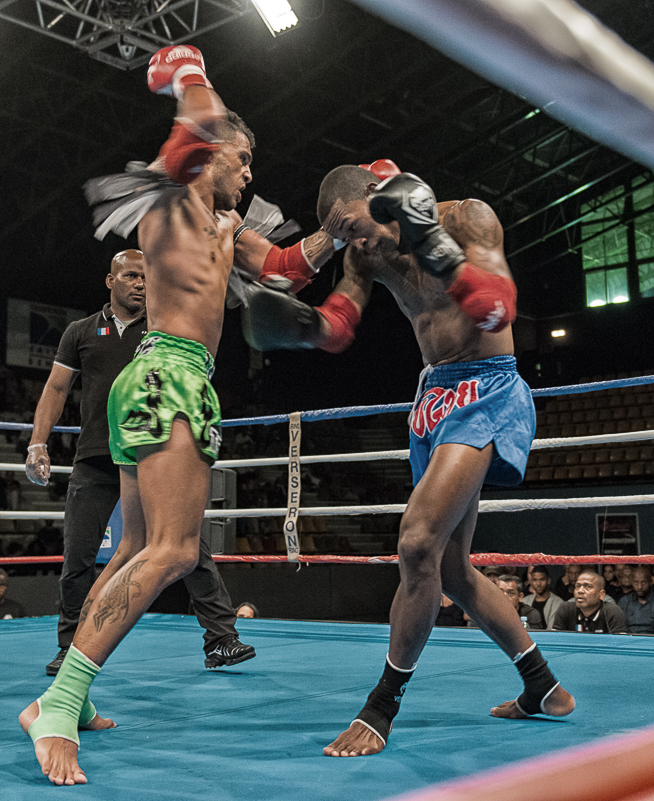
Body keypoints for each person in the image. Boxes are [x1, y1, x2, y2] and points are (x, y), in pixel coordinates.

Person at [21, 45, 322, 785]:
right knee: (175, 553)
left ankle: (66, 694)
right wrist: (188, 69)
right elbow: (200, 124)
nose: (250, 175)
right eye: (242, 159)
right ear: (214, 152)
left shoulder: (222, 226)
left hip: (168, 378)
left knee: (132, 552)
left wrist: (350, 229)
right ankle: (58, 705)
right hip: (167, 375)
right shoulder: (173, 196)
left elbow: (287, 268)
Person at [255, 164, 573, 757]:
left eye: (357, 227)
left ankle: (381, 707)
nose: (359, 244)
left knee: (416, 543)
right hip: (433, 397)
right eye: (344, 237)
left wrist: (434, 242)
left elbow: (496, 310)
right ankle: (543, 687)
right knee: (451, 570)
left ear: (379, 199)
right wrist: (306, 328)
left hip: (488, 390)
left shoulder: (464, 217)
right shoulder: (363, 251)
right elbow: (342, 317)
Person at [24, 248, 254, 676]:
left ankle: (220, 637)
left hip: (152, 449)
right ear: (110, 281)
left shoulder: (162, 330)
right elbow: (56, 389)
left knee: (183, 545)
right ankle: (70, 647)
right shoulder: (81, 331)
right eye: (129, 275)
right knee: (80, 556)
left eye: (145, 276)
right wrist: (39, 443)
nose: (140, 283)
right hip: (95, 454)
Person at [550, 571, 628, 634]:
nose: (580, 591)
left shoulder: (613, 612)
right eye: (577, 586)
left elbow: (619, 647)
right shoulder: (565, 609)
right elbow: (555, 642)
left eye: (588, 586)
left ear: (601, 594)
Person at [615, 565, 654, 634]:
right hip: (628, 641)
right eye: (636, 582)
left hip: (651, 642)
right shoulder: (624, 602)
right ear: (631, 582)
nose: (639, 586)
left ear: (651, 582)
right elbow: (619, 630)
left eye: (643, 582)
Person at [522, 566, 563, 630]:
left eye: (542, 579)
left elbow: (553, 629)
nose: (538, 584)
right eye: (535, 580)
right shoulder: (524, 601)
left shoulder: (558, 603)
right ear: (531, 582)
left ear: (548, 581)